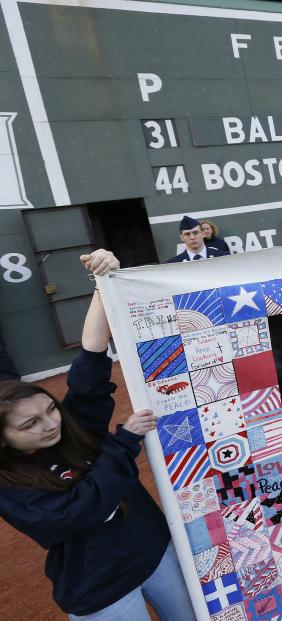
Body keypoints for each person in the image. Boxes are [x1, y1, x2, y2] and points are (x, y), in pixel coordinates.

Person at [0, 249, 195, 621]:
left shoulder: (71, 425)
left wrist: (103, 283)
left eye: (50, 409)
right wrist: (121, 444)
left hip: (155, 552)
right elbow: (77, 513)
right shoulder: (8, 484)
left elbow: (90, 359)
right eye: (29, 425)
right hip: (99, 588)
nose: (50, 424)